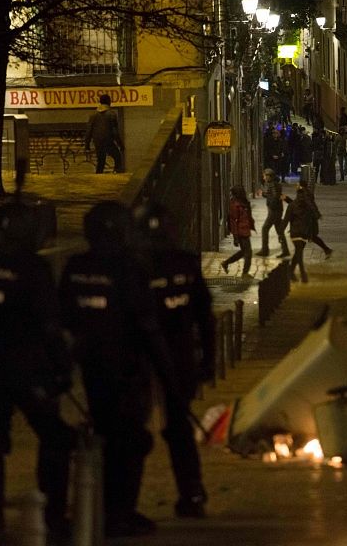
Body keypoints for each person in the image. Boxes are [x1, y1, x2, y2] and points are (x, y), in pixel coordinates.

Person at [0, 201, 75, 542]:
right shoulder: (32, 269)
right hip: (25, 369)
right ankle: (55, 513)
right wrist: (61, 370)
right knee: (54, 436)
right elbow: (50, 325)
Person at [59, 201, 163, 537]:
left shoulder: (76, 267)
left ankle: (104, 508)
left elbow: (64, 315)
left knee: (108, 435)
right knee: (130, 441)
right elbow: (146, 322)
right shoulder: (128, 270)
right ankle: (119, 512)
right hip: (126, 368)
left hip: (91, 368)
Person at [133, 202, 215, 518]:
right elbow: (204, 318)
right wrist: (206, 359)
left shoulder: (135, 266)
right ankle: (191, 491)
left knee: (147, 429)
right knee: (173, 427)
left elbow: (204, 317)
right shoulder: (183, 264)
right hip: (170, 354)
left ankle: (126, 503)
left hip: (145, 355)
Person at [85, 93, 125, 174]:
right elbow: (115, 132)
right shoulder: (111, 114)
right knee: (117, 157)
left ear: (100, 102)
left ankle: (98, 178)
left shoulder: (93, 115)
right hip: (108, 140)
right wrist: (120, 144)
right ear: (109, 102)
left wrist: (87, 145)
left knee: (101, 161)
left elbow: (89, 131)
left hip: (97, 141)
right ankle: (116, 172)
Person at [221, 186, 255, 279]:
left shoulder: (242, 202)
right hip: (241, 232)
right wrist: (235, 237)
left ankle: (226, 263)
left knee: (244, 252)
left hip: (245, 230)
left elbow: (247, 216)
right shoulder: (235, 204)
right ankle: (245, 273)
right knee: (248, 252)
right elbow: (233, 221)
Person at [281, 185, 312, 283]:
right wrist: (280, 233)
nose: (302, 197)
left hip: (304, 233)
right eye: (300, 194)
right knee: (299, 252)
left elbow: (310, 220)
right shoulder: (293, 206)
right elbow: (286, 220)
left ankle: (290, 271)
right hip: (295, 233)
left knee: (298, 253)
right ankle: (303, 274)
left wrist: (310, 233)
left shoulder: (307, 206)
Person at [257, 169, 290, 258]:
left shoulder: (273, 184)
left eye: (264, 176)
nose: (263, 178)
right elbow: (271, 194)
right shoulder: (273, 184)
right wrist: (264, 194)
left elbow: (275, 197)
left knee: (265, 228)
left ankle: (265, 250)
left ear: (268, 176)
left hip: (274, 211)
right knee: (279, 230)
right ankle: (285, 250)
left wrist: (270, 204)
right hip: (276, 210)